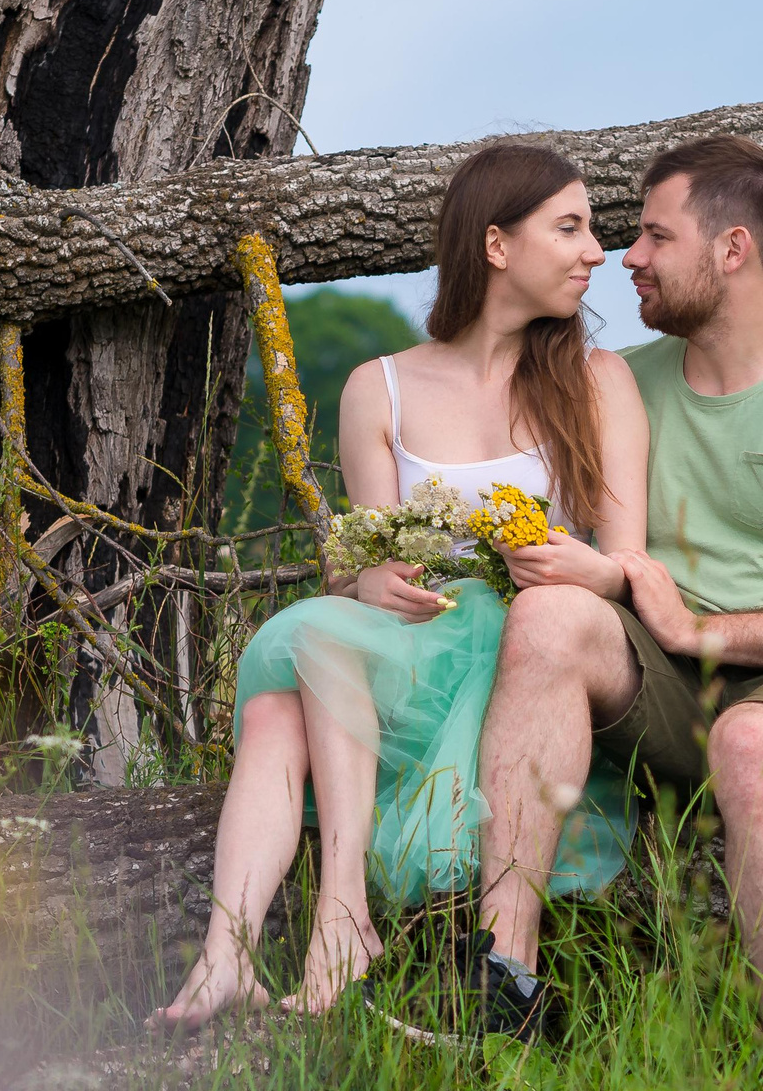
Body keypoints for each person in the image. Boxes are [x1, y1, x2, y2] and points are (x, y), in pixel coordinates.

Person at [469, 134, 763, 1091]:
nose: (624, 256)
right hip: (678, 688)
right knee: (552, 618)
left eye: (652, 234)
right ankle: (504, 978)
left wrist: (703, 632)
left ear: (731, 250)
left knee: (755, 741)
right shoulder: (621, 385)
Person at [149, 142, 648, 1031]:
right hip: (412, 642)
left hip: (526, 651)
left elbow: (628, 562)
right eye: (570, 227)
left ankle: (337, 921)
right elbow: (360, 559)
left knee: (305, 651)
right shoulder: (378, 387)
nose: (596, 252)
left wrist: (581, 565)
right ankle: (228, 956)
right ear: (497, 245)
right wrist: (371, 576)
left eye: (593, 229)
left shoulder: (598, 380)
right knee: (308, 647)